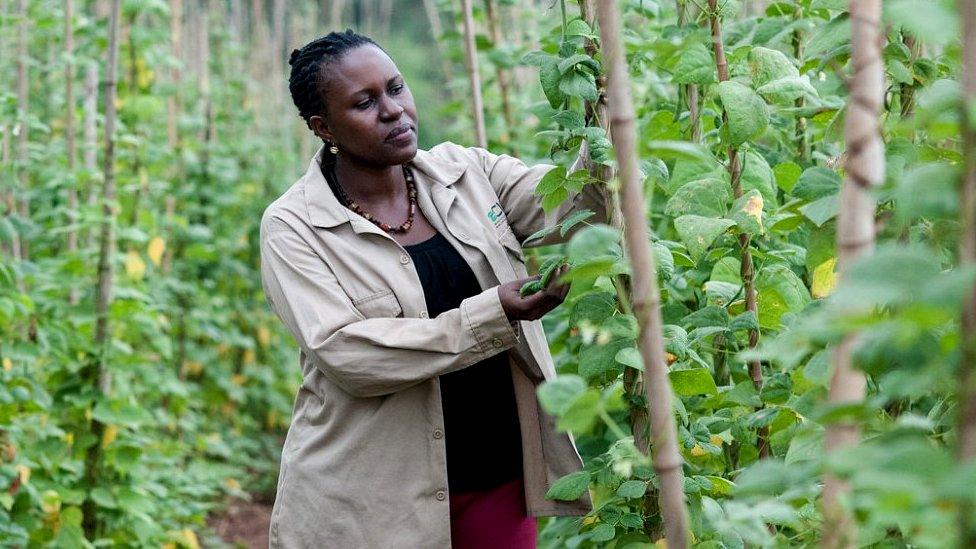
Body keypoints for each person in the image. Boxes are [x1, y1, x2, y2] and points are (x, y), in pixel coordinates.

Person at [259, 29, 606, 548]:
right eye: (364, 103)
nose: (393, 110)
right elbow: (347, 354)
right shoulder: (294, 226)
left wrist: (605, 133)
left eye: (396, 88)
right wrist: (492, 313)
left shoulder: (468, 173)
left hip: (497, 474)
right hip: (373, 499)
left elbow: (571, 211)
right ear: (323, 127)